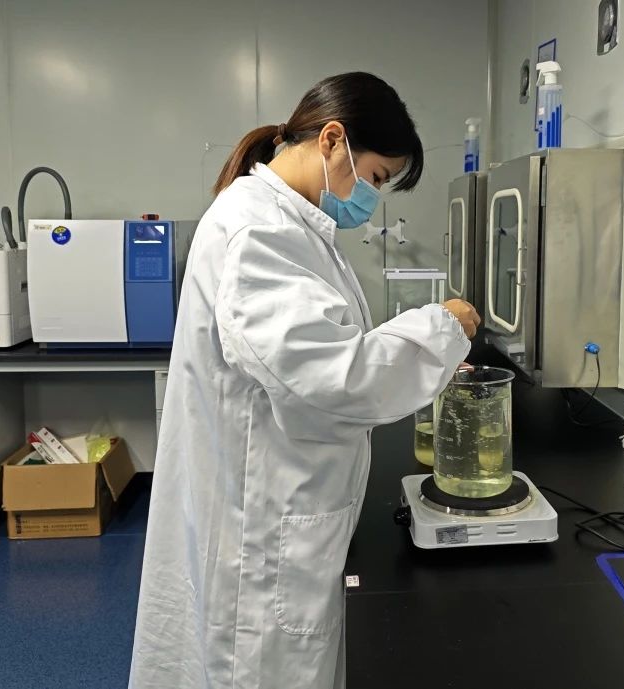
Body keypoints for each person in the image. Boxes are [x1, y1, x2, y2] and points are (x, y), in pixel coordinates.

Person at [129, 72, 480, 689]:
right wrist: (443, 328)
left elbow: (321, 348)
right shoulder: (258, 231)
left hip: (278, 506)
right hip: (263, 534)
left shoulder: (291, 223)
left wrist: (427, 350)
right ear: (333, 140)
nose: (371, 200)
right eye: (376, 178)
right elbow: (334, 377)